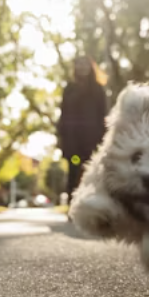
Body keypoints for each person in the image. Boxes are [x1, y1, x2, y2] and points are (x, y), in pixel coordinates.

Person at [57, 55, 108, 205]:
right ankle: (73, 205)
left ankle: (91, 205)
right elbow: (63, 113)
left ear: (90, 67)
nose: (82, 67)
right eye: (79, 64)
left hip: (93, 141)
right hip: (73, 142)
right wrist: (62, 137)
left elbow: (103, 114)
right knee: (74, 170)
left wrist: (104, 137)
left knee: (92, 171)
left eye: (85, 64)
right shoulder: (69, 89)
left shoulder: (98, 90)